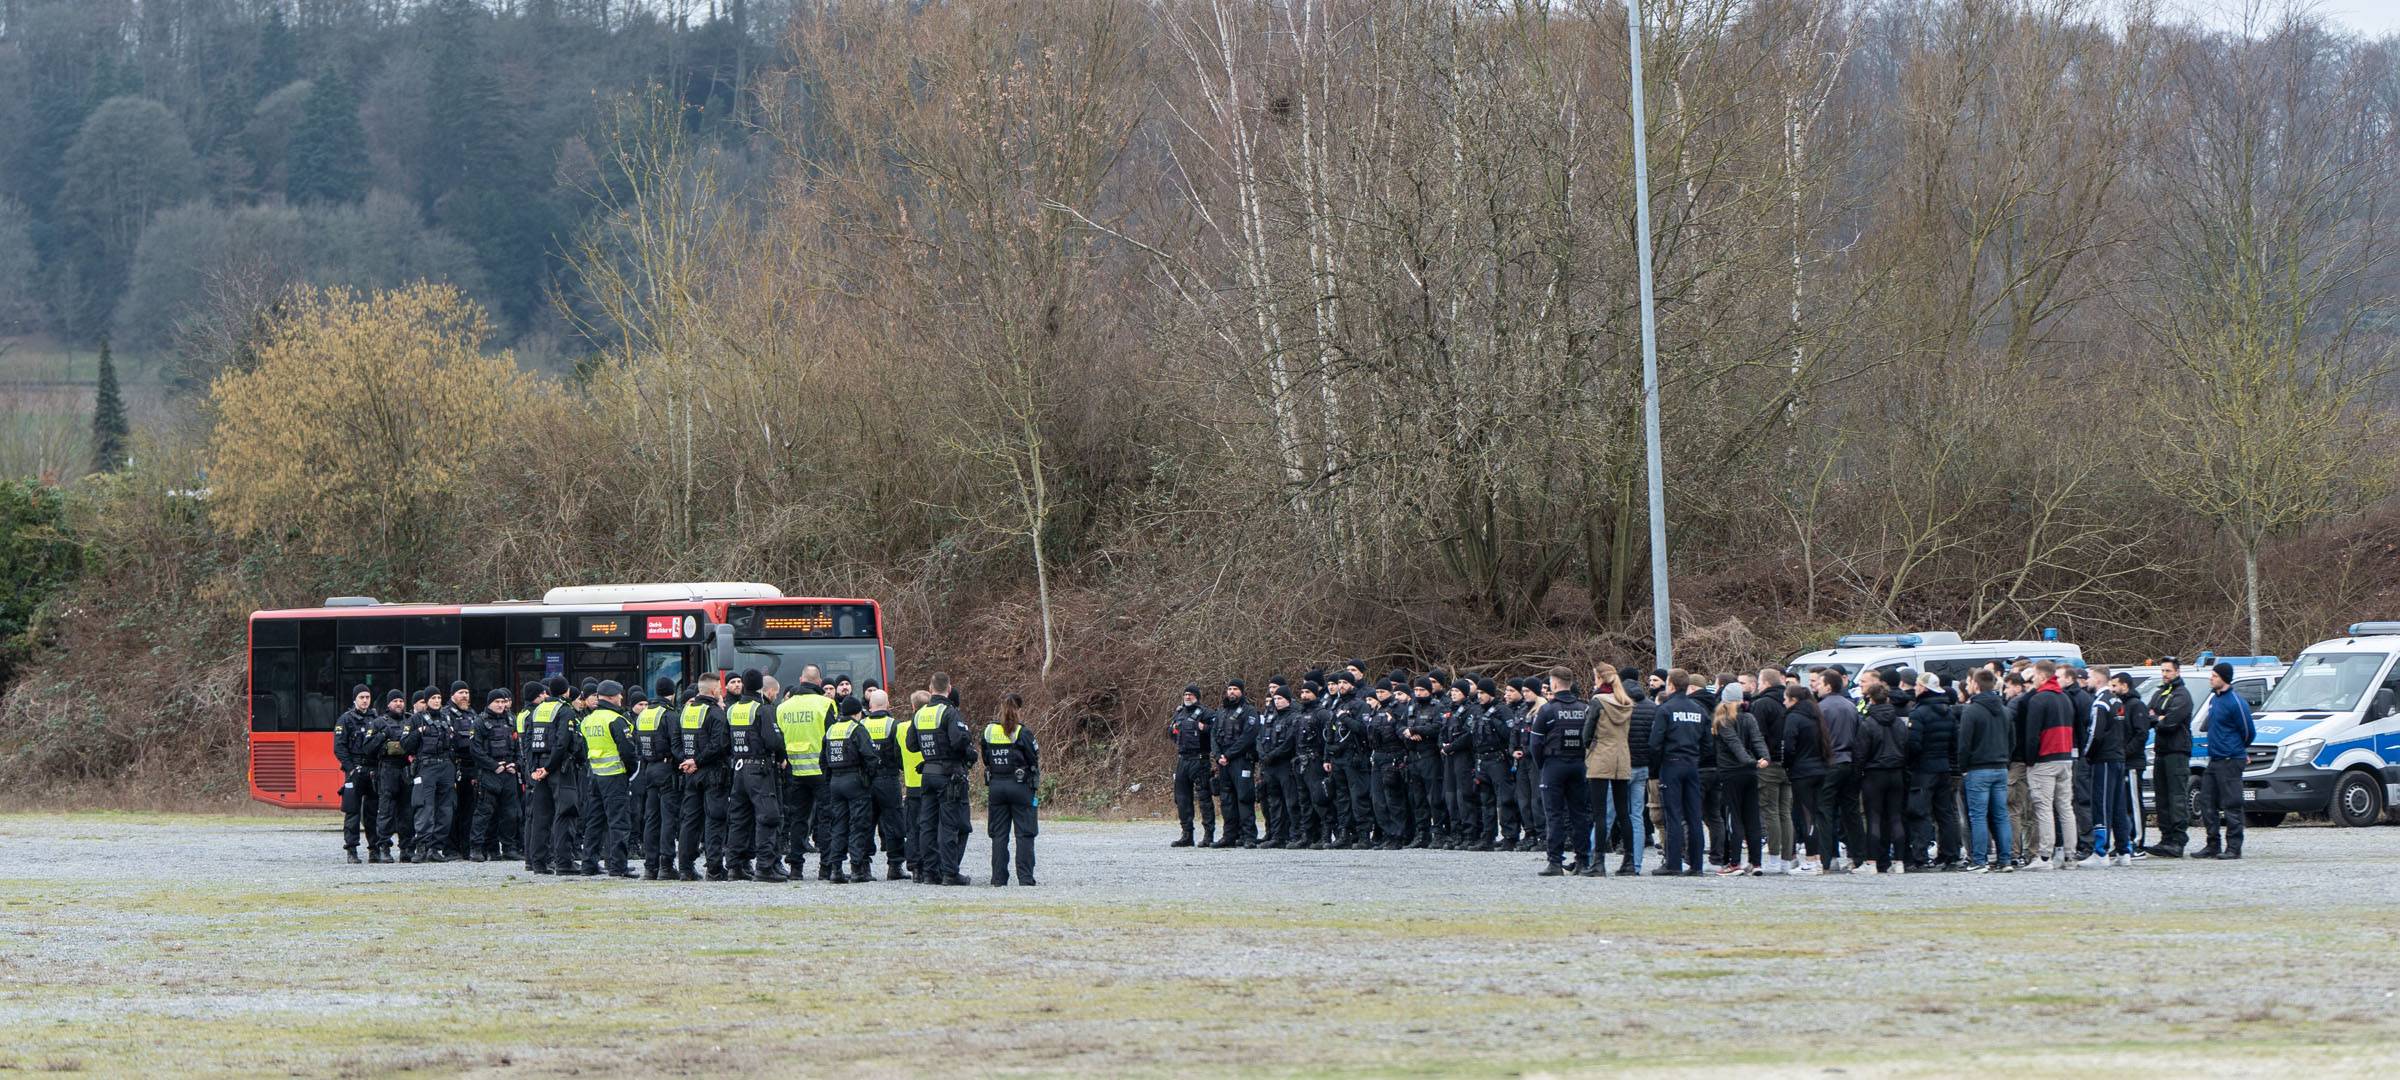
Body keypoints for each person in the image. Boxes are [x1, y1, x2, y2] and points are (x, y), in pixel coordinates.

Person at [908, 673, 977, 885]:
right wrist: (969, 753)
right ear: (949, 688)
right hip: (948, 775)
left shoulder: (920, 714)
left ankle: (930, 872)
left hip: (927, 774)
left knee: (927, 824)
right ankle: (949, 872)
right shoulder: (949, 712)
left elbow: (912, 745)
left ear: (930, 689)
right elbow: (959, 742)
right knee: (949, 824)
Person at [721, 669, 788, 881]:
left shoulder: (732, 710)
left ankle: (735, 866)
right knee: (768, 816)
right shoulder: (763, 709)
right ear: (760, 687)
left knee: (739, 818)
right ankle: (765, 866)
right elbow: (773, 741)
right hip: (759, 768)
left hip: (738, 768)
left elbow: (725, 742)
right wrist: (781, 753)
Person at [569, 681, 639, 878]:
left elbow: (583, 749)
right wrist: (629, 772)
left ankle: (588, 864)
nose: (621, 698)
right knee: (619, 823)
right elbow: (628, 751)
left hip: (595, 776)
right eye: (619, 695)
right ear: (611, 697)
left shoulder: (588, 720)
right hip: (615, 776)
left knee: (594, 822)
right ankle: (618, 866)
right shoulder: (616, 720)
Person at [1532, 668, 1594, 876]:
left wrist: (1544, 766)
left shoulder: (1548, 710)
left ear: (1554, 685)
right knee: (1580, 815)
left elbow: (1535, 743)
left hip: (1554, 765)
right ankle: (1583, 861)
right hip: (1579, 765)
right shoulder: (1584, 708)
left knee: (1554, 815)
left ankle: (1555, 862)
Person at [774, 670, 835, 880]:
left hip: (794, 771)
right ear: (819, 681)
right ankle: (826, 867)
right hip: (821, 771)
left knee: (798, 820)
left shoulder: (783, 707)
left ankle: (795, 868)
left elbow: (778, 739)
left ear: (800, 680)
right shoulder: (826, 704)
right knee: (826, 819)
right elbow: (832, 735)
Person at [1646, 670, 1707, 877]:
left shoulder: (1665, 710)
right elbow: (1708, 744)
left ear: (1670, 685)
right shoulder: (1699, 710)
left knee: (1673, 816)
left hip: (1671, 765)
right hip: (1692, 765)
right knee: (1694, 817)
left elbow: (1655, 744)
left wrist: (1654, 769)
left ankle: (1673, 863)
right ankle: (1697, 865)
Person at [2080, 672, 2144, 868]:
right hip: (2117, 757)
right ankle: (2124, 850)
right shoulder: (2117, 701)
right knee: (2118, 806)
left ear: (2098, 679)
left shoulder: (2101, 703)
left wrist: (2087, 754)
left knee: (2102, 804)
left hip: (2105, 759)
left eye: (2090, 677)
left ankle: (2101, 851)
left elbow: (2095, 733)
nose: (2087, 681)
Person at [818, 689, 882, 883]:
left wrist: (830, 779)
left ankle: (835, 869)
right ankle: (857, 869)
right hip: (855, 781)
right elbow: (871, 758)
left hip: (835, 782)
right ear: (857, 713)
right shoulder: (857, 729)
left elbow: (823, 760)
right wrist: (867, 779)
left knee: (838, 825)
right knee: (859, 824)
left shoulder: (830, 730)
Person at [1956, 669, 2016, 873]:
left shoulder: (1971, 711)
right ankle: (2005, 859)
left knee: (1978, 816)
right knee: (2001, 815)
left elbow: (1964, 743)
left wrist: (1963, 767)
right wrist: (2005, 760)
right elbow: (2012, 740)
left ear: (1976, 685)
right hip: (2000, 767)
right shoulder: (2005, 710)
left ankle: (1980, 860)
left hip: (1977, 769)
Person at [2021, 661, 2078, 871]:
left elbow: (2032, 735)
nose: (2032, 679)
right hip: (2065, 757)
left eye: (2035, 675)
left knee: (2043, 807)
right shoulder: (2064, 698)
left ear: (2043, 676)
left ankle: (2045, 856)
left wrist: (2029, 760)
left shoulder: (2038, 700)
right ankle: (2070, 856)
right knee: (2065, 807)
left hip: (2045, 760)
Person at [2196, 661, 2255, 860]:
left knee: (2232, 803)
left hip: (2231, 759)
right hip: (2215, 759)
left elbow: (2248, 731)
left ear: (2223, 678)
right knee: (2206, 801)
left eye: (2213, 675)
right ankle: (2212, 844)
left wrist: (2237, 749)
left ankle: (2234, 847)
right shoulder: (2214, 700)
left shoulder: (2235, 702)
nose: (2210, 679)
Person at [983, 693, 1042, 886]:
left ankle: (998, 878)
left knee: (999, 835)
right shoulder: (1023, 733)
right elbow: (1034, 758)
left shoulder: (989, 731)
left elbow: (985, 757)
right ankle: (1025, 878)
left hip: (997, 787)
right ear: (1019, 710)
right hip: (1020, 786)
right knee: (1024, 833)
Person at [1904, 672, 1961, 871]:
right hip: (1943, 767)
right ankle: (1950, 854)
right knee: (1945, 813)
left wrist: (1910, 764)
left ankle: (1919, 855)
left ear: (1924, 689)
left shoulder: (1918, 713)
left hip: (1923, 770)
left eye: (1918, 685)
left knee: (1919, 812)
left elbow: (1913, 744)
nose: (1915, 689)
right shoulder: (1948, 711)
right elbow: (1955, 742)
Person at [1582, 663, 1634, 876]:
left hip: (1601, 756)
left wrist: (1589, 747)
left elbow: (1587, 732)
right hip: (1622, 756)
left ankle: (1599, 862)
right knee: (1624, 812)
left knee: (1600, 812)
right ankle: (1629, 862)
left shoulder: (1598, 702)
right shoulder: (1626, 702)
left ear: (1600, 679)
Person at [400, 686, 462, 863]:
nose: (436, 701)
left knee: (446, 809)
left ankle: (436, 848)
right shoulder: (415, 720)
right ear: (426, 701)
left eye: (438, 697)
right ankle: (422, 848)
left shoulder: (447, 718)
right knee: (424, 807)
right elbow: (404, 745)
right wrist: (418, 733)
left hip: (446, 767)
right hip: (426, 767)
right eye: (433, 698)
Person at [2144, 658, 2197, 858]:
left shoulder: (2183, 695)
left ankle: (2178, 840)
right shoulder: (2160, 692)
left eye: (2168, 671)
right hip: (2161, 750)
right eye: (2163, 670)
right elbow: (2147, 715)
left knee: (2176, 797)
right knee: (2162, 797)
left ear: (2177, 672)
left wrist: (2158, 718)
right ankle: (2165, 838)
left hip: (2177, 751)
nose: (2165, 674)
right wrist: (2158, 718)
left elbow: (2171, 722)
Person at [519, 679, 574, 874]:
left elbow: (528, 740)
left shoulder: (537, 710)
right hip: (557, 768)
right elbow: (562, 743)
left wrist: (534, 768)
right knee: (563, 813)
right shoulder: (564, 710)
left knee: (540, 817)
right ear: (566, 691)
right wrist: (549, 768)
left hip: (538, 768)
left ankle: (538, 863)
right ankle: (564, 863)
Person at [1709, 698, 1769, 876]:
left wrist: (1750, 762)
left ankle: (1734, 863)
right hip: (1750, 775)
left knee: (1733, 818)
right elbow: (1757, 740)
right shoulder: (1749, 718)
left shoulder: (1722, 721)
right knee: (1752, 818)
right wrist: (1764, 758)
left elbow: (1734, 744)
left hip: (1731, 773)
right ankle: (1756, 862)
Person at [1855, 682, 1909, 874]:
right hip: (1896, 772)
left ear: (1870, 699)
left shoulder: (1868, 723)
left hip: (1874, 774)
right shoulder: (1898, 722)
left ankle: (1872, 862)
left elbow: (1861, 753)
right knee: (1895, 817)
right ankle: (1900, 861)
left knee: (1874, 818)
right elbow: (1906, 745)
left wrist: (1858, 773)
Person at [1812, 669, 1862, 872]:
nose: (1816, 686)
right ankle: (1858, 856)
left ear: (1829, 686)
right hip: (1850, 762)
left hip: (1830, 763)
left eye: (1819, 683)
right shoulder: (1851, 707)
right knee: (1851, 812)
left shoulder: (1821, 709)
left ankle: (1826, 858)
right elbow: (1860, 735)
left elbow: (1816, 739)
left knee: (1824, 811)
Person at [857, 688, 909, 879]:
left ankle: (863, 866)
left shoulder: (860, 724)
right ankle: (895, 866)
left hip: (865, 781)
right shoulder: (894, 725)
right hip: (888, 779)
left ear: (870, 706)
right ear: (888, 705)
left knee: (865, 823)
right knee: (894, 822)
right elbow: (900, 754)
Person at [626, 679, 675, 879]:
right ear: (672, 694)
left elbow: (637, 742)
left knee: (651, 819)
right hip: (666, 767)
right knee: (668, 818)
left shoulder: (644, 715)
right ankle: (666, 866)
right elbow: (676, 743)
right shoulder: (669, 714)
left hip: (648, 768)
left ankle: (650, 866)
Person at [467, 687, 520, 864]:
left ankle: (508, 848)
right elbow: (475, 750)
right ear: (489, 703)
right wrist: (493, 766)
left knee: (510, 814)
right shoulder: (480, 722)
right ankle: (477, 848)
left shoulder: (511, 719)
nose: (500, 705)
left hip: (509, 773)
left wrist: (516, 765)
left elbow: (519, 747)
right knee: (484, 813)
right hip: (490, 773)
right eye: (497, 702)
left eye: (503, 702)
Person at [1779, 682, 1826, 875]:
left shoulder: (1794, 717)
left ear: (1794, 700)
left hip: (1802, 772)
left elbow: (1789, 746)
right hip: (1819, 769)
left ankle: (1811, 860)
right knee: (1815, 815)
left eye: (1785, 698)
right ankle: (1817, 859)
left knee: (1806, 816)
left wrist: (1787, 764)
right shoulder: (1816, 716)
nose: (1783, 702)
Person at [1750, 670, 1793, 874]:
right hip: (1788, 764)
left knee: (1770, 812)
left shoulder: (1761, 704)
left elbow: (1757, 736)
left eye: (1759, 682)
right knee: (1785, 813)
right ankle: (1787, 860)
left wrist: (1760, 759)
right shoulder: (1790, 701)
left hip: (1769, 764)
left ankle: (1774, 859)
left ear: (1765, 683)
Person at [333, 686, 377, 863]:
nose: (365, 700)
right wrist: (350, 768)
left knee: (373, 813)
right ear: (355, 699)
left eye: (367, 696)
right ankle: (351, 850)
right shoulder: (345, 720)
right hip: (354, 772)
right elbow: (339, 747)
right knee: (352, 812)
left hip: (372, 770)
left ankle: (375, 849)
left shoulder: (376, 719)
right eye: (361, 697)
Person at [1213, 680, 1259, 847]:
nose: (1232, 692)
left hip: (1241, 760)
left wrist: (1229, 754)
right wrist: (1218, 755)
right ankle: (1229, 836)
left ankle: (1249, 837)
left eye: (1235, 689)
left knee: (1244, 797)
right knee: (1226, 799)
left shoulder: (1249, 711)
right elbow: (1213, 735)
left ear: (1242, 692)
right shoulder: (1221, 712)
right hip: (1223, 762)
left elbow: (1248, 736)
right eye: (1230, 689)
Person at [1168, 686, 1215, 847]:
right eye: (1185, 694)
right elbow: (1171, 732)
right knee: (1182, 798)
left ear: (1197, 697)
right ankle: (1187, 834)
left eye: (1191, 694)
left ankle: (1209, 835)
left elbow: (1216, 731)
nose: (1187, 697)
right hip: (1183, 760)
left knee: (1204, 798)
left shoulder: (1206, 713)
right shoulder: (1179, 713)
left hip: (1200, 760)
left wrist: (1204, 728)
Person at [1365, 681, 1410, 849]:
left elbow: (1403, 732)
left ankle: (1398, 835)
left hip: (1393, 755)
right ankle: (1387, 833)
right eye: (1378, 692)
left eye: (1383, 691)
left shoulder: (1398, 709)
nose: (1380, 695)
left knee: (1393, 798)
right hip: (1378, 755)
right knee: (1378, 800)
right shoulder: (1376, 710)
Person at [1255, 687, 1300, 848]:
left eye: (1280, 698)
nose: (1277, 701)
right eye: (1275, 699)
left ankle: (1295, 835)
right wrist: (1262, 754)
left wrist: (1272, 755)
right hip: (1269, 766)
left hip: (1284, 764)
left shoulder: (1294, 717)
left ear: (1288, 700)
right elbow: (1259, 738)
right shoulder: (1270, 717)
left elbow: (1289, 743)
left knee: (1291, 801)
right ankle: (1277, 835)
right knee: (1274, 802)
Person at [899, 689, 931, 874]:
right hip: (931, 782)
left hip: (911, 784)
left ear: (912, 707)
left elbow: (896, 755)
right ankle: (929, 864)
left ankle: (914, 866)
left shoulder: (901, 728)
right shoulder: (934, 725)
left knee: (912, 828)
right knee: (929, 826)